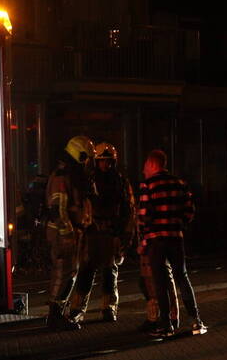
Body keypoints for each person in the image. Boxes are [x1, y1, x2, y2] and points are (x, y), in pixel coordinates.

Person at [137, 149, 206, 337]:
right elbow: (190, 210)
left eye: (145, 166)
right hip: (176, 238)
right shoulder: (179, 183)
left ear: (152, 165)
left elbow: (144, 216)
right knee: (182, 276)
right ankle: (195, 319)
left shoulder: (148, 185)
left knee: (160, 282)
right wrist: (179, 224)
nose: (144, 171)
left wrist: (143, 238)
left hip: (155, 241)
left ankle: (166, 324)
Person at [67, 142, 134, 322]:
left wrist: (124, 235)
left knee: (109, 272)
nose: (106, 165)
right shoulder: (88, 180)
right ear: (96, 162)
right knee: (86, 271)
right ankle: (78, 308)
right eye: (102, 161)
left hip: (111, 232)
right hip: (92, 231)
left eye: (108, 161)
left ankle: (109, 308)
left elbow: (128, 209)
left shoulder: (120, 181)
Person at [45, 135, 95, 330]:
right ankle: (55, 316)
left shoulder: (70, 175)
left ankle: (58, 313)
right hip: (62, 233)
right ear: (80, 155)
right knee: (63, 273)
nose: (88, 163)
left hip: (71, 232)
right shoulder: (61, 176)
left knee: (69, 273)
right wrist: (67, 234)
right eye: (86, 158)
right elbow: (58, 209)